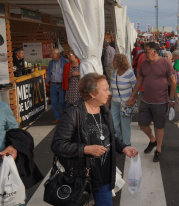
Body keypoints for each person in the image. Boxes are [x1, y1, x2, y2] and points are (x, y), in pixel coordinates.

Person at [51, 73, 138, 206]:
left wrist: (123, 147)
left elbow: (109, 136)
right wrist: (86, 149)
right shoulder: (73, 113)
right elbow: (58, 144)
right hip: (80, 177)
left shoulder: (104, 110)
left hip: (104, 175)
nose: (109, 93)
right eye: (105, 90)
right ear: (92, 93)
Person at [126, 42, 176, 162]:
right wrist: (133, 97)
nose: (144, 53)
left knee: (159, 126)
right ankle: (152, 140)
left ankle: (158, 149)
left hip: (161, 101)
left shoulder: (165, 62)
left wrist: (171, 99)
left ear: (154, 51)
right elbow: (139, 81)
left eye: (146, 51)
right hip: (146, 100)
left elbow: (173, 82)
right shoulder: (144, 63)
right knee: (142, 124)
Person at [107, 54, 136, 146]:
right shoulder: (114, 73)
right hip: (114, 102)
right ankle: (118, 140)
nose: (112, 62)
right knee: (113, 124)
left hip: (126, 103)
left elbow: (135, 89)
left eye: (114, 60)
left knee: (125, 126)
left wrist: (133, 100)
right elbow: (111, 89)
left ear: (120, 62)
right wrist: (107, 102)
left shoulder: (129, 73)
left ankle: (127, 143)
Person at [46, 48, 68, 125]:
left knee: (62, 102)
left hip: (61, 84)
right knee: (54, 102)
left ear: (57, 54)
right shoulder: (51, 62)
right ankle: (57, 118)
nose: (51, 56)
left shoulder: (65, 62)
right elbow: (49, 73)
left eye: (52, 54)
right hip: (53, 84)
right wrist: (47, 81)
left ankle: (65, 118)